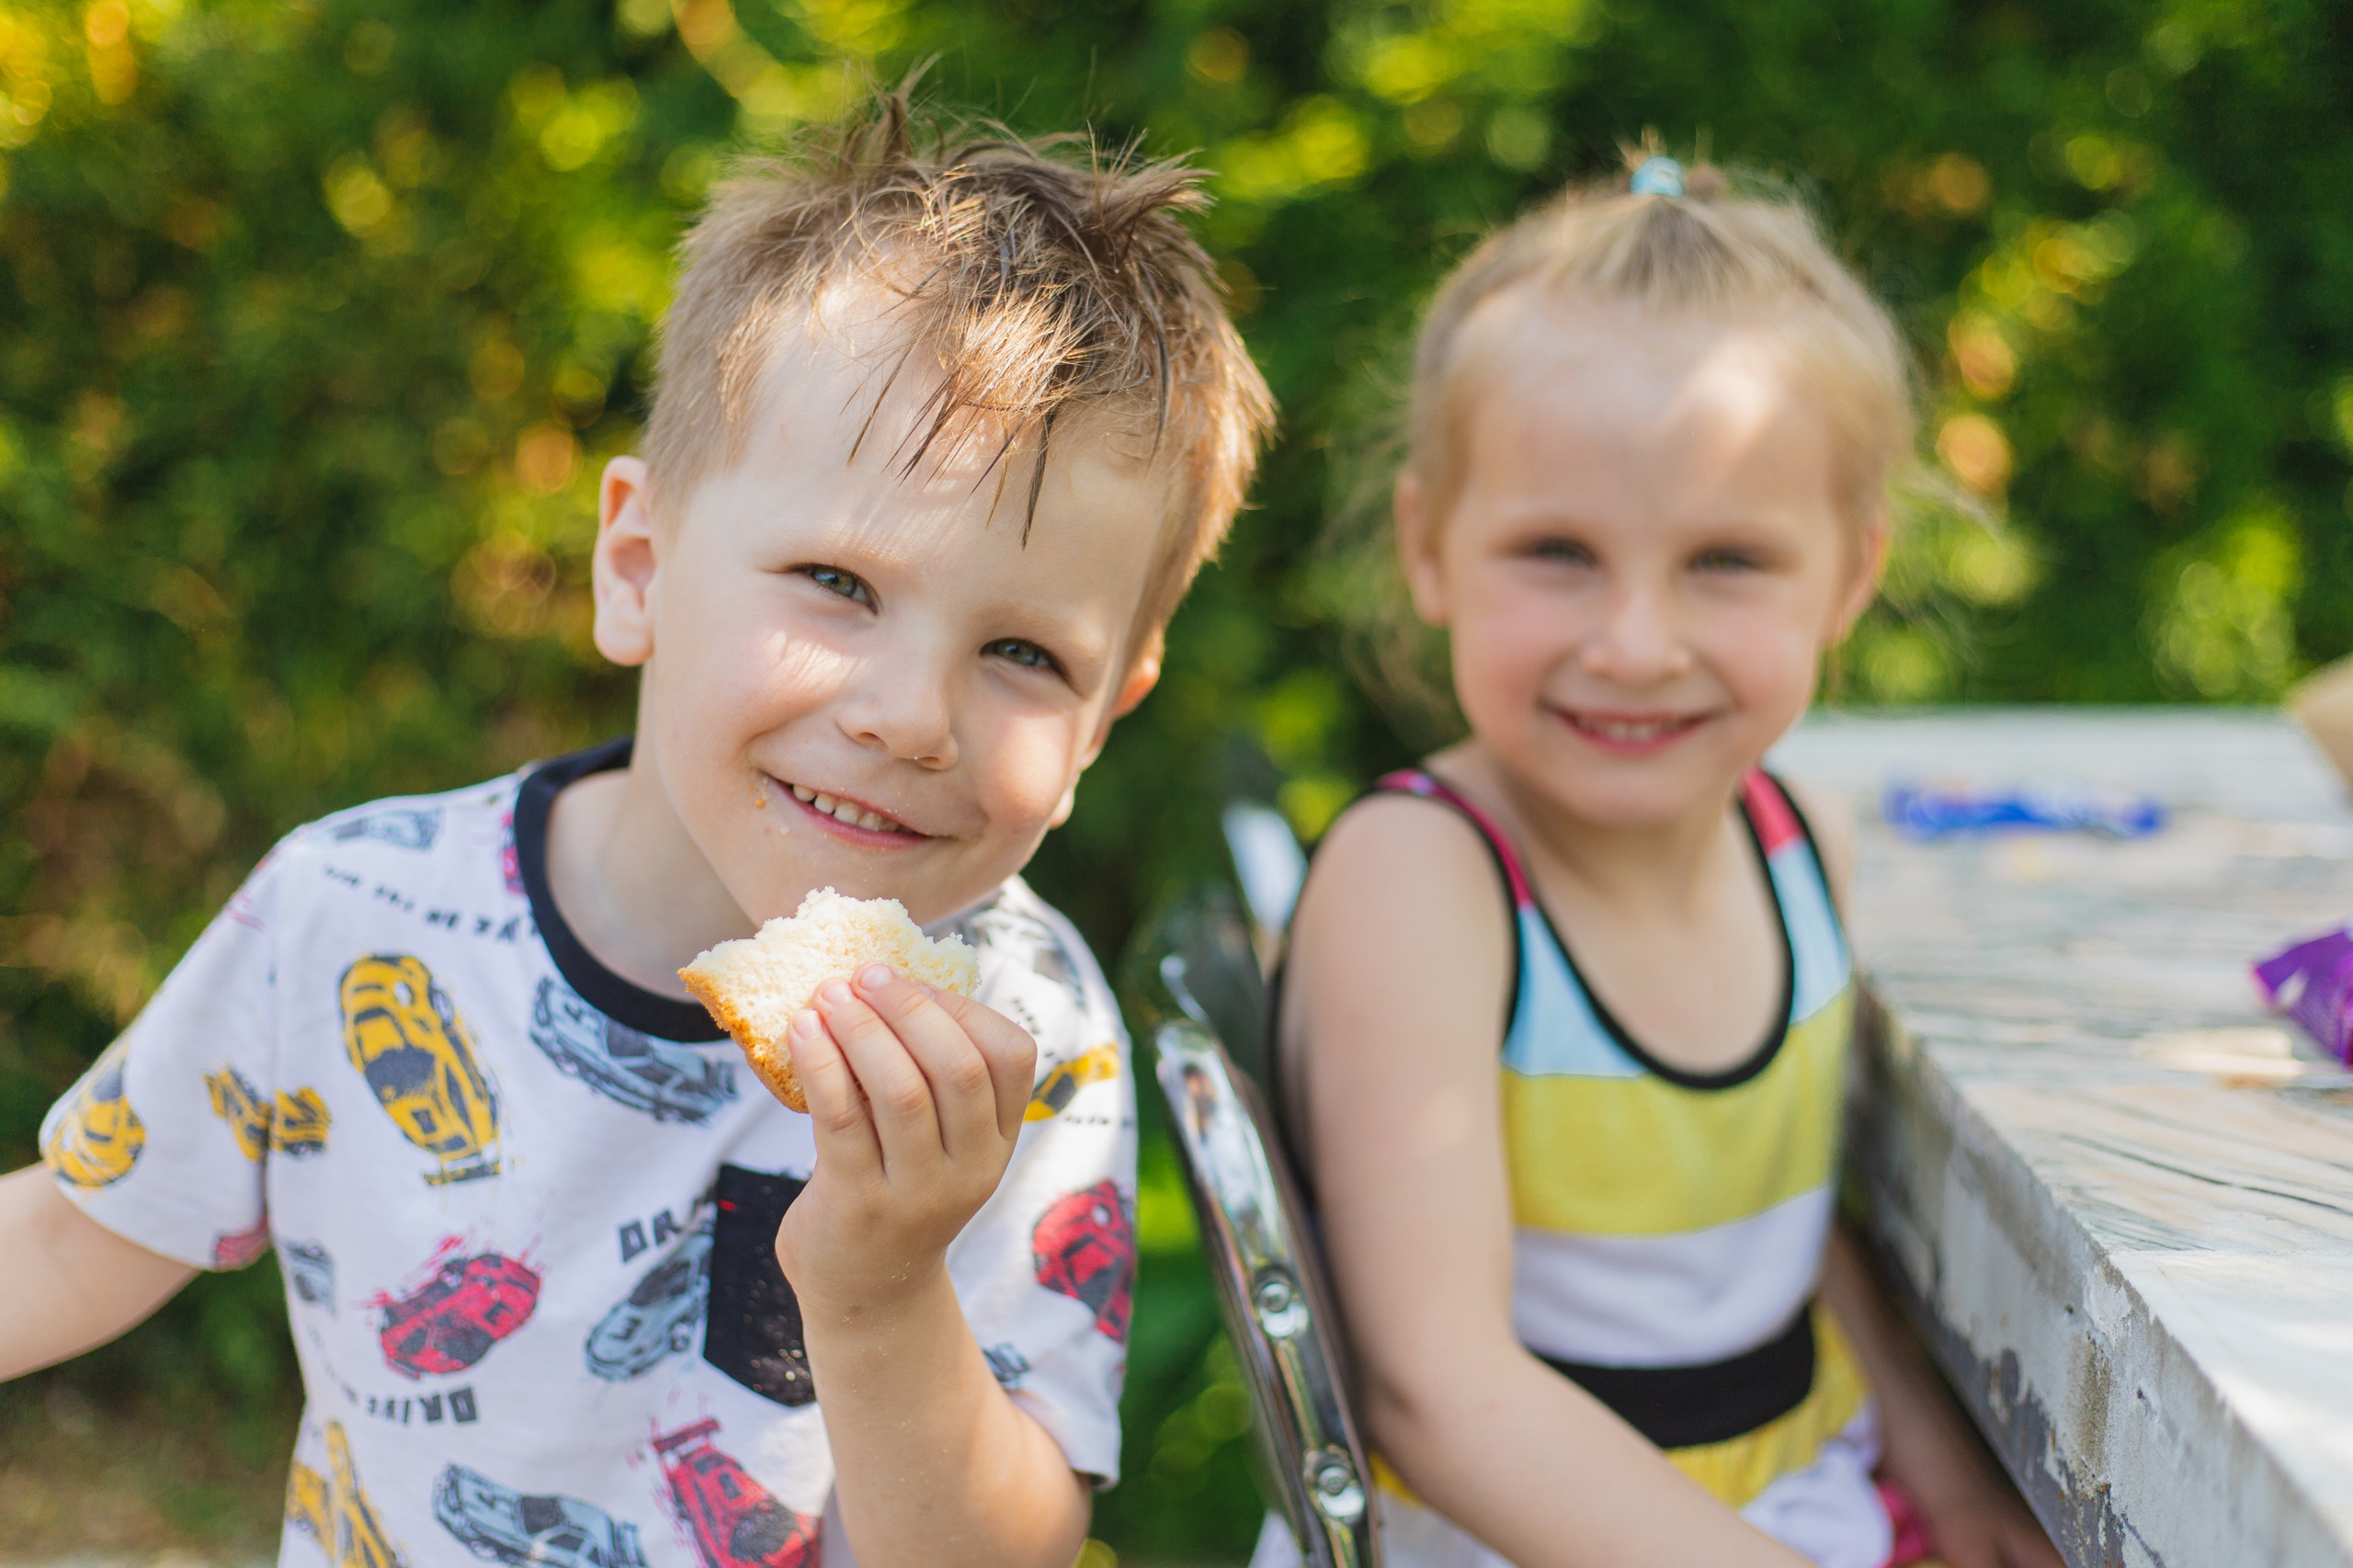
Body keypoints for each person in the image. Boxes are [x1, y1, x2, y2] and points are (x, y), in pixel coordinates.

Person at [2, 92, 1273, 1568]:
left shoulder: (1025, 1036)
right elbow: (71, 1239)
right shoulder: (353, 915)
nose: (912, 714)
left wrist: (879, 1288)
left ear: (1107, 716)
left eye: (1026, 655)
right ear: (640, 563)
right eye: (839, 583)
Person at [1256, 155, 2063, 1568]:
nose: (1635, 642)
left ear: (1851, 574)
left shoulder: (1797, 845)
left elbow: (1795, 1229)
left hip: (1795, 1494)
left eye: (1728, 561)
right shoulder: (1429, 883)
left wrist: (1945, 1469)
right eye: (1557, 552)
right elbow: (1436, 1393)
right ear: (1430, 546)